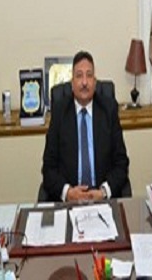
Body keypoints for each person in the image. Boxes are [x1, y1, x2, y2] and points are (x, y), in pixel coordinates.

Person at [42, 50, 130, 202]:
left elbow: (121, 163)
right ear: (72, 83)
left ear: (95, 82)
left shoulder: (108, 110)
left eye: (89, 75)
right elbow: (48, 168)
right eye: (79, 76)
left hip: (102, 198)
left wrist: (103, 192)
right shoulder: (60, 112)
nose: (84, 82)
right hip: (70, 200)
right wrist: (68, 192)